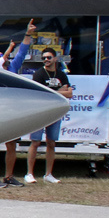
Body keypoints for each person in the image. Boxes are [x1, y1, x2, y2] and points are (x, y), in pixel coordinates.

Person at [0, 23, 33, 187]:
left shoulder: (11, 68)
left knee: (12, 145)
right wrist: (10, 47)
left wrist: (28, 34)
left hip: (11, 113)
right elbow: (4, 57)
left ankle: (9, 176)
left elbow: (23, 51)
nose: (2, 57)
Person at [25, 46, 73, 184]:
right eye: (44, 58)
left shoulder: (61, 74)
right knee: (35, 142)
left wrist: (52, 91)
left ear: (55, 59)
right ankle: (29, 173)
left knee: (51, 142)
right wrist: (59, 90)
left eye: (49, 57)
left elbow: (70, 93)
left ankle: (48, 174)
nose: (46, 60)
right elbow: (39, 94)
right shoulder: (39, 74)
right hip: (40, 112)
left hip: (55, 112)